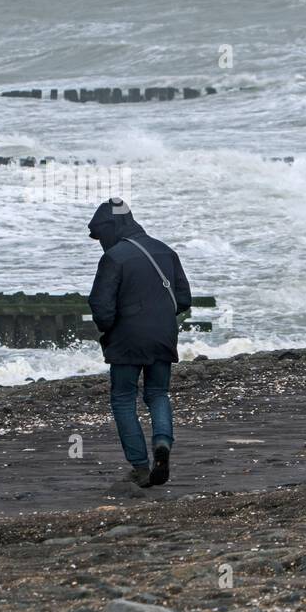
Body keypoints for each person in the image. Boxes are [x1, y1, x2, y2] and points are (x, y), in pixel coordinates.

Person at [87, 197, 192, 488]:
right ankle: (162, 443)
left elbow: (101, 306)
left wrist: (108, 329)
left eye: (101, 235)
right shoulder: (166, 251)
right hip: (163, 336)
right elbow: (183, 299)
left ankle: (140, 467)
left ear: (112, 227)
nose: (100, 242)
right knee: (158, 394)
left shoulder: (114, 258)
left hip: (126, 340)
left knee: (123, 399)